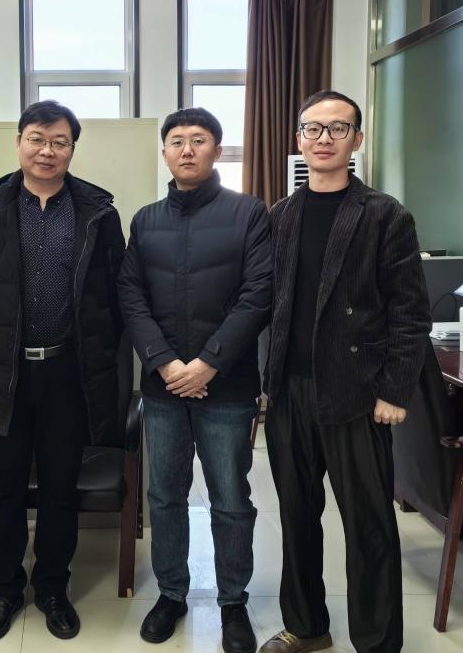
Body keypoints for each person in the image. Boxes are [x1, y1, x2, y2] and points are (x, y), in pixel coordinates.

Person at [259, 90, 431, 653]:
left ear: (357, 139)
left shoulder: (384, 214)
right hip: (290, 392)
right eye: (313, 128)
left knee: (369, 525)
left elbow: (411, 312)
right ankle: (307, 627)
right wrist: (264, 386)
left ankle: (377, 643)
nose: (324, 139)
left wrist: (395, 391)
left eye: (338, 129)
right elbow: (271, 307)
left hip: (357, 393)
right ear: (298, 138)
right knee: (296, 518)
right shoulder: (281, 215)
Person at [0, 100, 125, 642]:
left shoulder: (98, 212)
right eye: (36, 138)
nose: (46, 151)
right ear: (19, 143)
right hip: (6, 373)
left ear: (72, 149)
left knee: (59, 486)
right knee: (3, 487)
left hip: (68, 373)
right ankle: (6, 589)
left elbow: (114, 297)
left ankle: (53, 587)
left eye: (59, 142)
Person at [118, 107, 272, 653]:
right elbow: (130, 296)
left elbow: (258, 295)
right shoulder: (146, 221)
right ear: (164, 152)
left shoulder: (249, 214)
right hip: (163, 389)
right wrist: (164, 363)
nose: (187, 149)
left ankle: (233, 602)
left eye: (199, 140)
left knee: (230, 499)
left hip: (227, 388)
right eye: (177, 141)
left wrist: (208, 363)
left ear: (217, 150)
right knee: (164, 496)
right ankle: (171, 594)